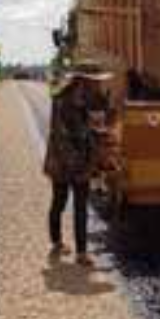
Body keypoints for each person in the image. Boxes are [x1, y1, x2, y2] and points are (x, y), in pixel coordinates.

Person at [44, 63, 113, 268]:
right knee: (60, 201)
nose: (99, 83)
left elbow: (96, 124)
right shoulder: (64, 101)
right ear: (84, 80)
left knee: (81, 206)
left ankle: (81, 253)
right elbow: (68, 135)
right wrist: (95, 137)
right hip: (63, 160)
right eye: (96, 81)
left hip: (80, 159)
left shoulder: (89, 98)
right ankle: (56, 242)